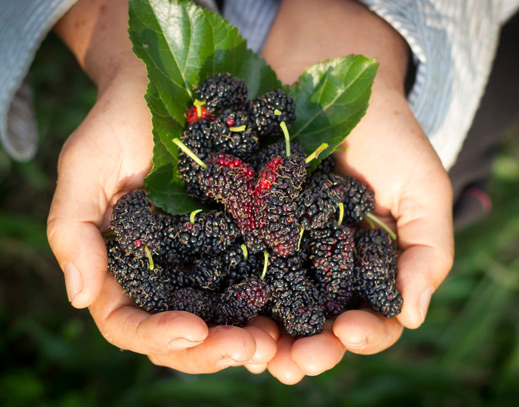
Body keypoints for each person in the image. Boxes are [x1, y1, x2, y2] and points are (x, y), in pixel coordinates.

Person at [1, 0, 517, 385]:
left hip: (427, 48)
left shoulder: (291, 195)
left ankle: (466, 183)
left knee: (461, 149)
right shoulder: (228, 190)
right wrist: (112, 30)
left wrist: (361, 23)